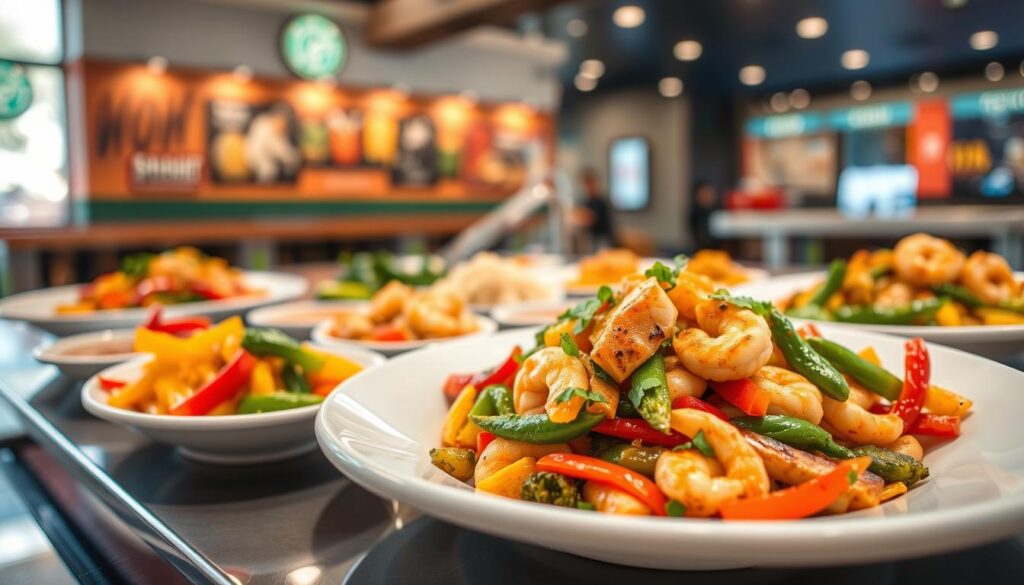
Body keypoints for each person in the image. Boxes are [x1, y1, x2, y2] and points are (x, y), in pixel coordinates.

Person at [575, 168, 617, 249]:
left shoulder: (600, 201)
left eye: (589, 183)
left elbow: (590, 218)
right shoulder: (585, 200)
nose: (587, 187)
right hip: (592, 239)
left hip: (603, 239)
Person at [689, 180, 719, 251]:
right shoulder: (695, 213)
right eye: (703, 193)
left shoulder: (718, 212)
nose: (706, 196)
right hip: (700, 249)